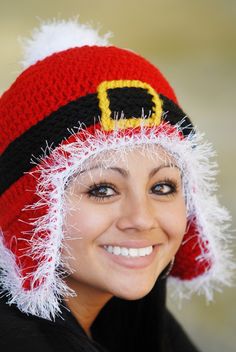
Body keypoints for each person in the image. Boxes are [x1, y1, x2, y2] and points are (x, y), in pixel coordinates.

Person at [0, 18, 234, 352]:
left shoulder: (131, 312)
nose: (141, 218)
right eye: (103, 190)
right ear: (29, 213)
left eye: (162, 187)